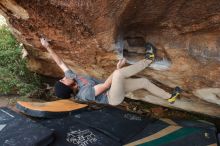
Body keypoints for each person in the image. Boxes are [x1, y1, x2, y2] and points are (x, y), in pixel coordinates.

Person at [40, 38, 181, 105]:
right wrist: (117, 69)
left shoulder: (72, 77)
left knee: (143, 82)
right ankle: (149, 59)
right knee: (118, 74)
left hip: (114, 88)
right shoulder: (85, 94)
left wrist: (47, 47)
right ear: (69, 87)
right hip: (113, 97)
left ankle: (170, 97)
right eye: (62, 81)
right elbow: (106, 85)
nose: (62, 78)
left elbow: (59, 62)